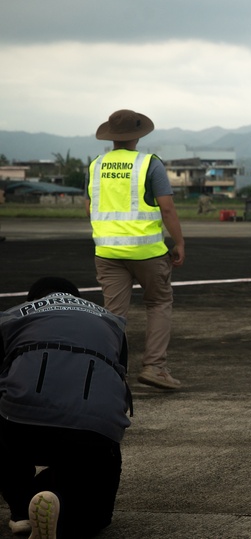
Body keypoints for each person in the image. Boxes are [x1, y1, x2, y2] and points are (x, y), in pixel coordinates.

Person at [0, 277, 132, 538]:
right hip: (92, 425)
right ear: (78, 299)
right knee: (93, 495)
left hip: (22, 422)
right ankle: (63, 511)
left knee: (6, 432)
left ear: (33, 300)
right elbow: (119, 378)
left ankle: (21, 510)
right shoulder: (112, 322)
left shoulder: (11, 317)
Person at [86, 109, 185, 390]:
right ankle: (155, 367)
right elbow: (167, 208)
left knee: (114, 313)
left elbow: (89, 207)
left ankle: (109, 369)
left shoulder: (96, 166)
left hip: (107, 252)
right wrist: (179, 242)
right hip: (147, 252)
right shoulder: (149, 164)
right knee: (158, 303)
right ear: (138, 136)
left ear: (111, 136)